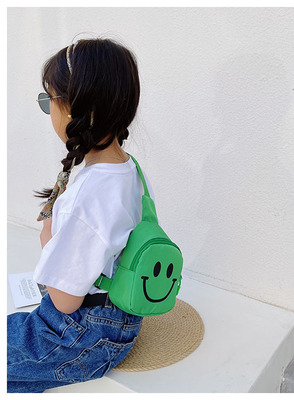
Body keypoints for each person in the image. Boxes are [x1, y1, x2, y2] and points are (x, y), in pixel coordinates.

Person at [7, 38, 155, 393]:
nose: (49, 111)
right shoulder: (129, 169)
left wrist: (48, 238)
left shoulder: (88, 197)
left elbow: (64, 301)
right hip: (120, 315)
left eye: (50, 101)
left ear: (79, 112)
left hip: (83, 333)